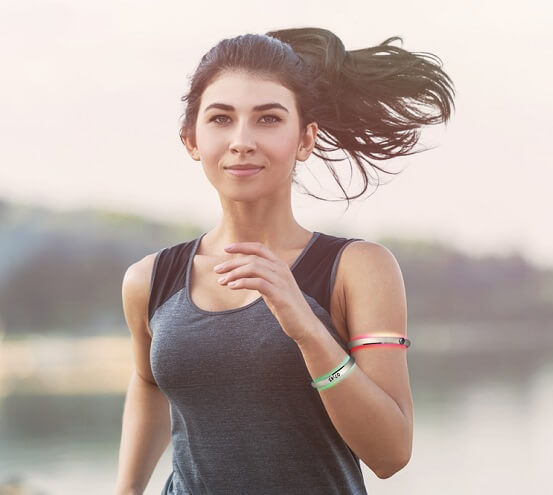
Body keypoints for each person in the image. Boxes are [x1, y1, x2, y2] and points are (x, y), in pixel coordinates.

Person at [114, 27, 455, 495]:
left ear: (305, 139)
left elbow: (391, 454)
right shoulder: (150, 279)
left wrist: (308, 330)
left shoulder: (357, 269)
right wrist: (126, 490)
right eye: (220, 119)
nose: (241, 140)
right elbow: (148, 382)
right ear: (191, 139)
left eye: (268, 119)